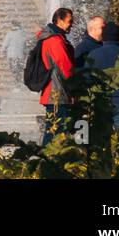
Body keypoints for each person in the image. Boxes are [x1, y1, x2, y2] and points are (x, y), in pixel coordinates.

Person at [84, 22, 119, 128]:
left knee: (102, 132)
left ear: (103, 37)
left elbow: (86, 78)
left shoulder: (93, 55)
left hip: (100, 99)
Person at [34, 8, 76, 144]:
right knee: (56, 130)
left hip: (52, 92)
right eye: (70, 21)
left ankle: (46, 159)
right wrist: (75, 85)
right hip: (57, 93)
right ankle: (47, 159)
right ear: (59, 21)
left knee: (53, 129)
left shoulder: (52, 38)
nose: (72, 24)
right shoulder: (55, 41)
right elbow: (66, 68)